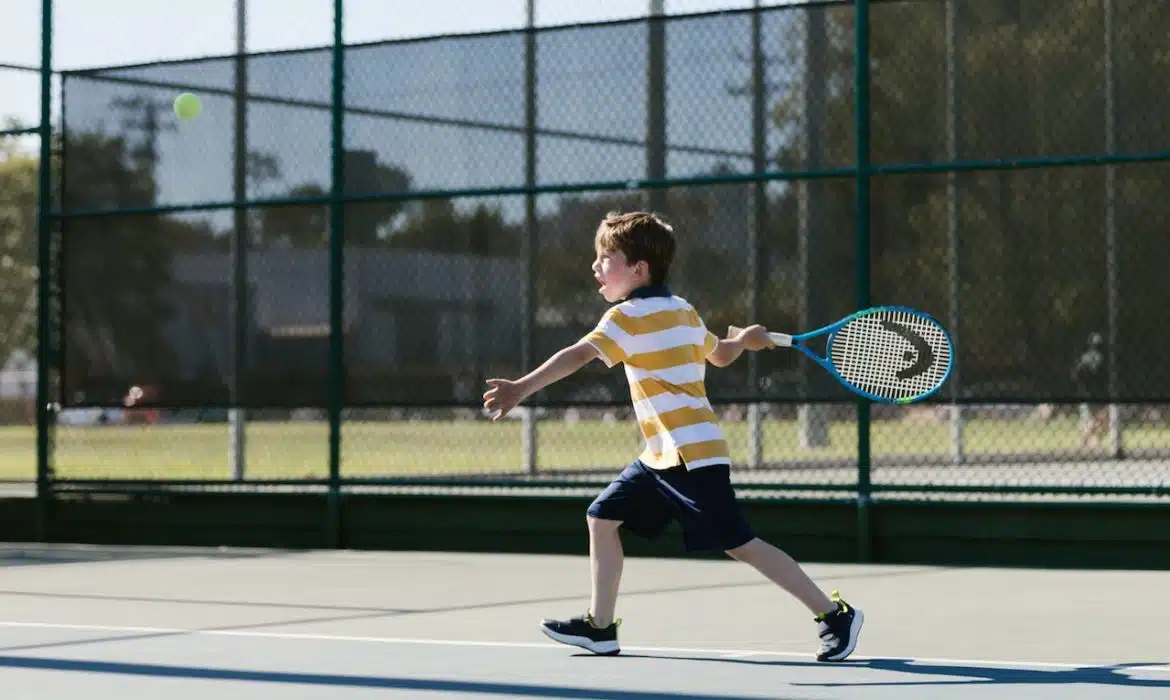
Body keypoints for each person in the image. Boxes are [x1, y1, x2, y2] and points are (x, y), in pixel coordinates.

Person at [482, 211, 863, 662]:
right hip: (662, 455)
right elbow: (720, 354)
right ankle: (600, 628)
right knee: (602, 518)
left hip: (691, 455)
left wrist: (520, 388)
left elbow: (577, 355)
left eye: (606, 257)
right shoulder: (682, 309)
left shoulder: (626, 317)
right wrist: (743, 340)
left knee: (740, 543)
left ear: (638, 269)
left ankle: (833, 616)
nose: (596, 266)